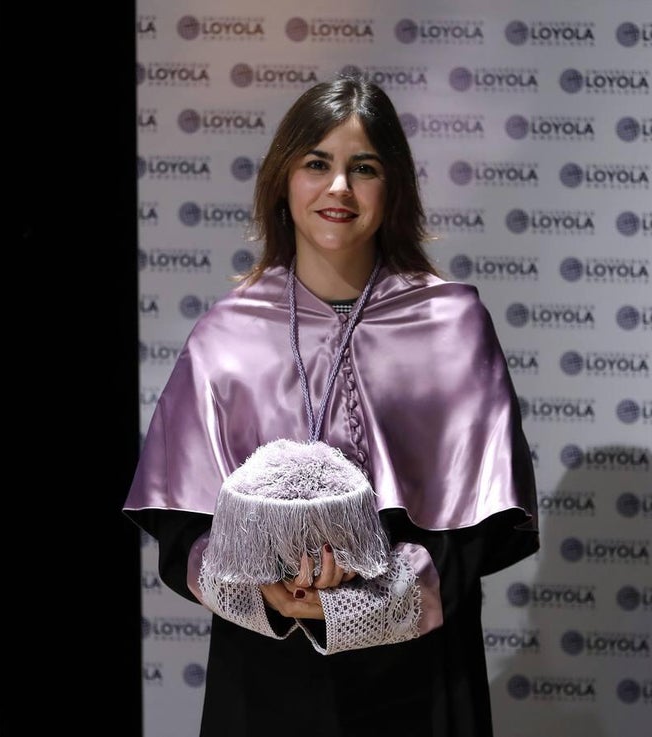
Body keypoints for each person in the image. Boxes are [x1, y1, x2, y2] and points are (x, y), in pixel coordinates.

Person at [123, 75, 539, 737]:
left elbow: (477, 530)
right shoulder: (224, 336)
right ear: (283, 181)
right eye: (317, 163)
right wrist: (262, 588)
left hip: (417, 684)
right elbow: (181, 533)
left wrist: (359, 600)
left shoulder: (453, 325)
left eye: (363, 167)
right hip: (263, 683)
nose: (338, 188)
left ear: (392, 187)